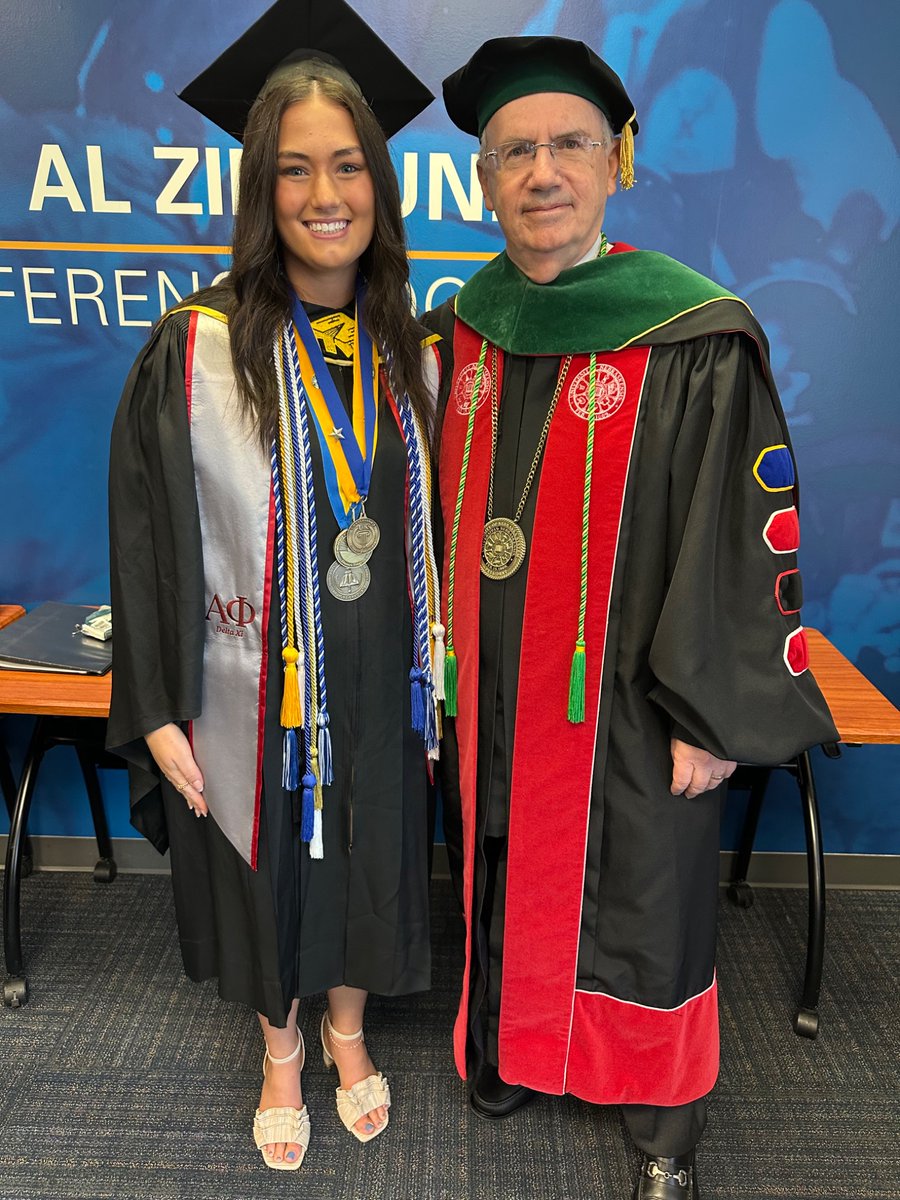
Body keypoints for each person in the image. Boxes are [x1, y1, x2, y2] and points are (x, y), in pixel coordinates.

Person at [424, 36, 839, 1200]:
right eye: (514, 152)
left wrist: (712, 713)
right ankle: (511, 1052)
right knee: (499, 863)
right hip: (498, 697)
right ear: (483, 181)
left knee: (646, 902)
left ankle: (661, 1130)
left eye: (568, 146)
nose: (541, 172)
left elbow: (738, 533)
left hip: (635, 698)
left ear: (620, 165)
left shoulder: (695, 335)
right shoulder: (468, 328)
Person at [107, 4, 441, 1173]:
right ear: (263, 189)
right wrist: (153, 705)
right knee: (272, 865)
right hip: (260, 681)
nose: (324, 193)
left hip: (386, 671)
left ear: (378, 180)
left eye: (347, 163)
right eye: (294, 169)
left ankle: (350, 1031)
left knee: (365, 850)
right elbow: (146, 534)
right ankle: (282, 1049)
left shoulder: (419, 343)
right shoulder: (196, 348)